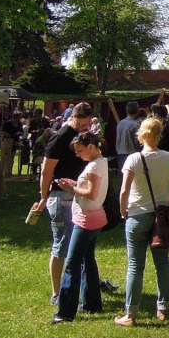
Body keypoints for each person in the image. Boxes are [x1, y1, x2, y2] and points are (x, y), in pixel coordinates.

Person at [117, 117, 169, 325]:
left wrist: (123, 211)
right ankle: (163, 308)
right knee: (162, 263)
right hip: (161, 216)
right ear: (159, 135)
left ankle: (131, 314)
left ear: (141, 135)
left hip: (136, 215)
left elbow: (124, 191)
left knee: (135, 266)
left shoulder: (133, 159)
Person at [33, 102, 94, 305]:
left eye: (87, 125)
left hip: (78, 194)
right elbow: (46, 171)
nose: (84, 128)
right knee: (61, 245)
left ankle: (86, 286)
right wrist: (43, 197)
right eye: (81, 124)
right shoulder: (60, 137)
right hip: (60, 197)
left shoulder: (83, 137)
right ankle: (56, 292)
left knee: (81, 246)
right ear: (73, 117)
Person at [51, 131, 108, 323]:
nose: (78, 155)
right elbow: (91, 187)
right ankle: (92, 304)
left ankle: (65, 312)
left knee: (72, 264)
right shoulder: (101, 162)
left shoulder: (93, 165)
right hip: (95, 217)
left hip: (86, 219)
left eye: (80, 151)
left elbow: (91, 193)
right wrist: (74, 183)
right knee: (87, 259)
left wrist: (71, 188)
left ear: (91, 147)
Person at [116, 101, 141, 173]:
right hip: (131, 153)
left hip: (120, 152)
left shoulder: (120, 123)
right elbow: (137, 141)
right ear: (137, 111)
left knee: (123, 176)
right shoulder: (134, 125)